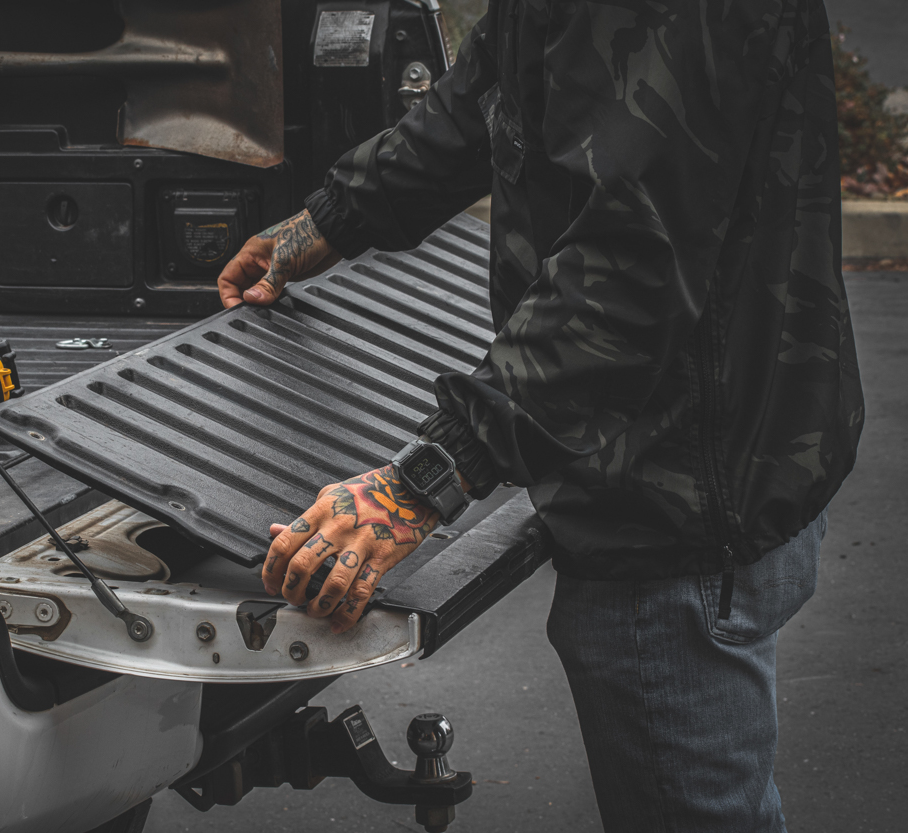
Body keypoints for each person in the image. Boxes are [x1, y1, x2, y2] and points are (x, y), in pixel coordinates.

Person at [216, 1, 864, 830]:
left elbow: (629, 267)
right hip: (693, 451)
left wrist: (423, 482)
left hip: (678, 486)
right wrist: (324, 224)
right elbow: (487, 95)